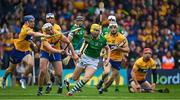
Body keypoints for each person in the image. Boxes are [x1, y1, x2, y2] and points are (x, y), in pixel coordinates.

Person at [1, 15, 48, 89]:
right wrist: (44, 35)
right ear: (26, 22)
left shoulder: (30, 28)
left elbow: (28, 38)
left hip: (26, 51)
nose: (33, 23)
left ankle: (23, 78)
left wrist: (33, 44)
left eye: (33, 21)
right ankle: (4, 78)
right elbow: (34, 34)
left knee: (31, 64)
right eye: (31, 22)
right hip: (17, 51)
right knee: (10, 69)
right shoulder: (25, 29)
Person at [66, 24, 110, 96]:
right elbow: (83, 46)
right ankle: (68, 80)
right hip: (85, 58)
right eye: (94, 30)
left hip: (94, 61)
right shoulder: (87, 37)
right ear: (91, 30)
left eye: (97, 30)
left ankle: (72, 91)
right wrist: (80, 53)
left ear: (99, 31)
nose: (95, 32)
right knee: (74, 77)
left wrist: (107, 59)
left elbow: (108, 49)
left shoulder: (103, 39)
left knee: (87, 78)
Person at [37, 23, 78, 96]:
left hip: (56, 53)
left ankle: (59, 84)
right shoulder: (43, 36)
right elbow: (49, 48)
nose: (51, 31)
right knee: (43, 70)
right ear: (45, 31)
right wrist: (60, 51)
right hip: (45, 52)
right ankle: (40, 89)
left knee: (59, 74)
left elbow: (68, 42)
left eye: (51, 29)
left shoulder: (58, 34)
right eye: (48, 30)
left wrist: (73, 54)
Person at [97, 22, 129, 94]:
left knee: (112, 78)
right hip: (108, 57)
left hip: (118, 59)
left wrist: (119, 49)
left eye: (115, 27)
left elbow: (127, 49)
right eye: (111, 28)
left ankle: (103, 88)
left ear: (117, 28)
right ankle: (101, 81)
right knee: (107, 72)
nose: (113, 29)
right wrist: (101, 52)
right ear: (109, 29)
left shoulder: (122, 38)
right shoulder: (105, 37)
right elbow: (102, 47)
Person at [44, 13, 62, 94]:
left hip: (56, 50)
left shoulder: (57, 27)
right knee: (44, 68)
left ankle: (60, 85)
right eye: (48, 18)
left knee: (58, 73)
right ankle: (49, 84)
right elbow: (44, 39)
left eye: (51, 18)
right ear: (46, 19)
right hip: (46, 50)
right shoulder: (44, 27)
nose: (50, 19)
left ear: (54, 19)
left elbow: (59, 38)